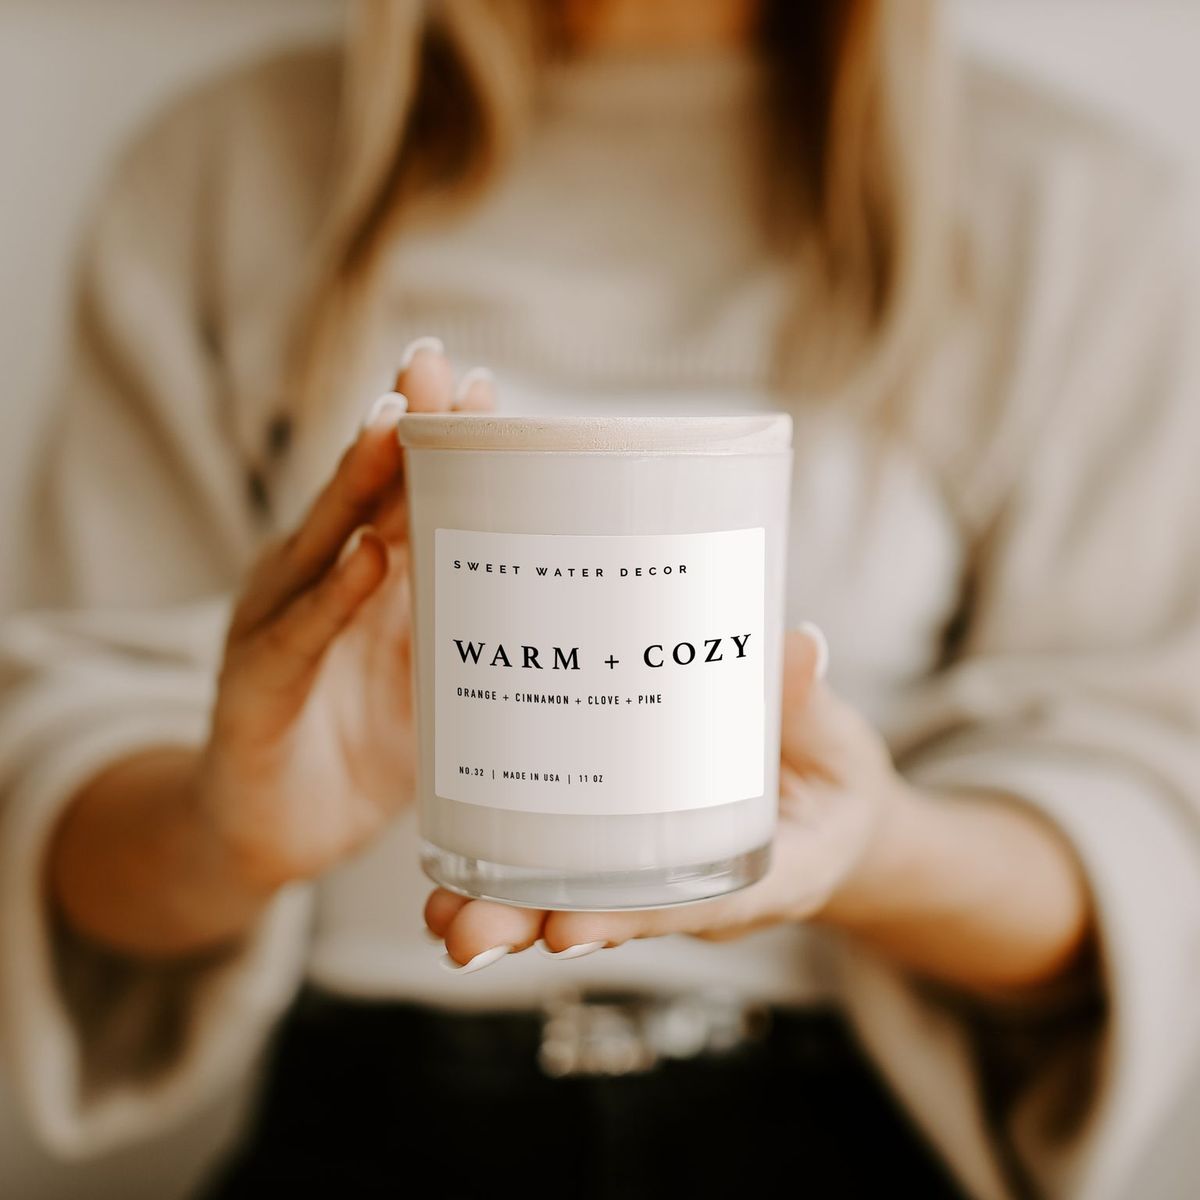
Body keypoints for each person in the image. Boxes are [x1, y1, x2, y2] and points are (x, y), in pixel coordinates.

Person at [2, 1, 1199, 1197]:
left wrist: (872, 848)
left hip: (838, 1127)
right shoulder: (232, 167)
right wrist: (223, 833)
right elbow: (63, 750)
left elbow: (1148, 823)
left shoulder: (1068, 207)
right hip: (361, 1120)